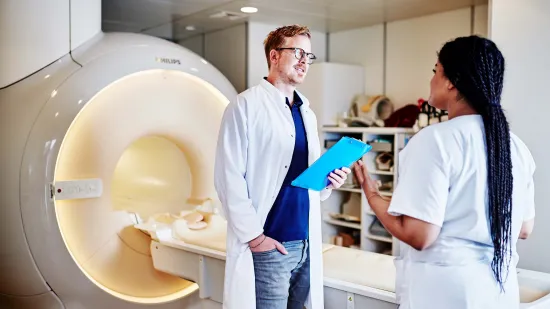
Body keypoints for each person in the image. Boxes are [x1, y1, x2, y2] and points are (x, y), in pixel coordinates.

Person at [353, 35, 536, 309]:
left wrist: (372, 194)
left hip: (445, 294)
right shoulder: (515, 146)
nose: (431, 80)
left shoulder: (434, 140)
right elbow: (523, 228)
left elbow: (420, 235)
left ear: (451, 80)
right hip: (499, 292)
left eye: (434, 71)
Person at [214, 24, 351, 309]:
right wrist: (255, 239)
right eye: (297, 52)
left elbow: (301, 178)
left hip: (307, 242)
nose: (304, 61)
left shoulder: (307, 113)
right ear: (274, 56)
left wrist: (328, 181)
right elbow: (229, 178)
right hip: (270, 244)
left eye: (309, 56)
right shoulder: (244, 106)